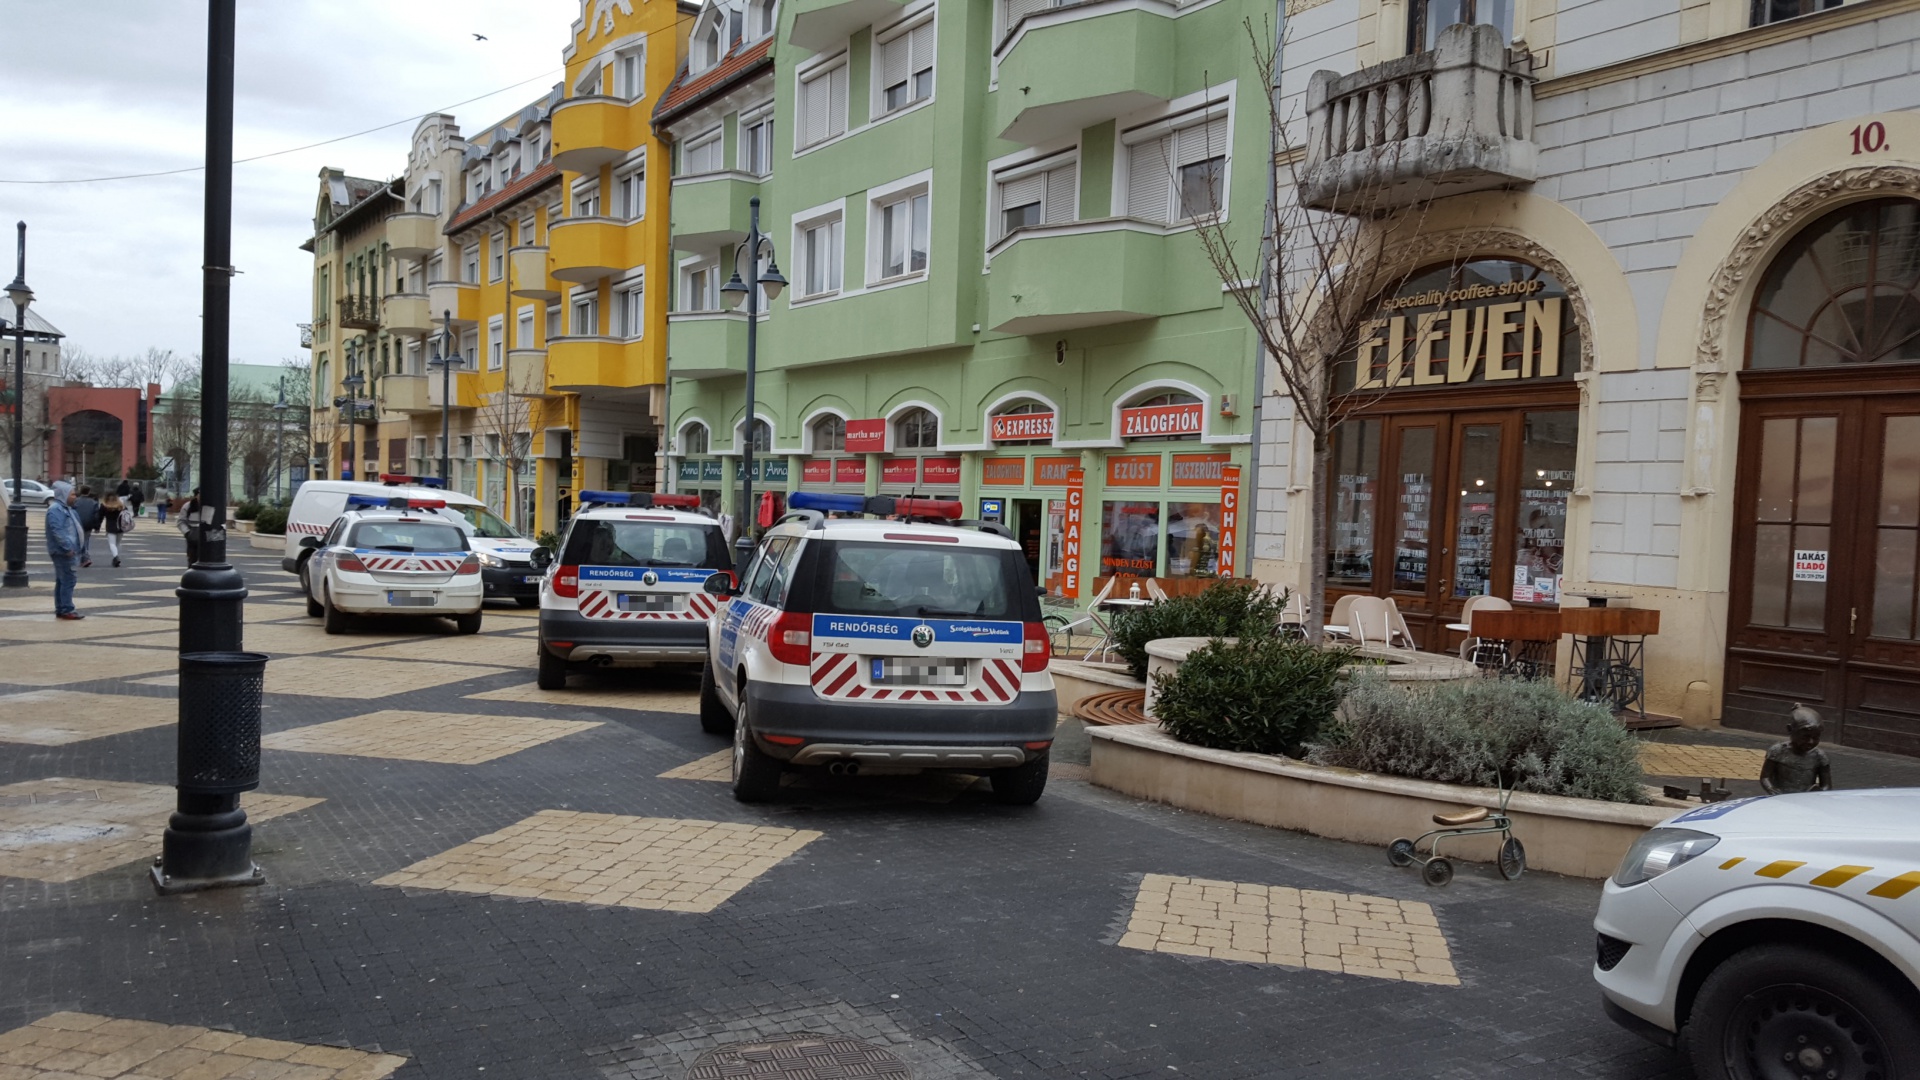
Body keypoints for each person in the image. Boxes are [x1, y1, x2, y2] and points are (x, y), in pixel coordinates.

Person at [1760, 704, 1833, 795]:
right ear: (1790, 730)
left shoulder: (1820, 756)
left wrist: (1820, 792)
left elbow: (1826, 785)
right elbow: (1765, 777)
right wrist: (1771, 789)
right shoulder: (1777, 751)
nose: (1810, 742)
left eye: (1815, 737)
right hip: (1781, 797)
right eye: (1805, 737)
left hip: (1805, 799)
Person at [44, 481, 83, 620]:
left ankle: (62, 608)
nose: (75, 497)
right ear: (64, 494)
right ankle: (66, 609)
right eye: (72, 494)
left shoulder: (67, 509)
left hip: (68, 549)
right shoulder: (56, 510)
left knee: (63, 579)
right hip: (63, 551)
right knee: (68, 579)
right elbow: (57, 531)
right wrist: (67, 547)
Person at [73, 485, 102, 568]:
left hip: (77, 523)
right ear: (89, 492)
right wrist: (97, 527)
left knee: (77, 540)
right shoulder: (93, 502)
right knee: (85, 540)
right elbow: (96, 516)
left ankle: (84, 558)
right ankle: (84, 557)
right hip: (88, 524)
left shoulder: (75, 501)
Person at [102, 491, 128, 567]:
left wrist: (97, 526)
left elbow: (100, 516)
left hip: (110, 526)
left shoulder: (105, 506)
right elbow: (126, 513)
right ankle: (116, 556)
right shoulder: (121, 506)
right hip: (120, 526)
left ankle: (116, 557)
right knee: (118, 543)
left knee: (112, 543)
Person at [181, 487, 203, 567]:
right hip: (193, 537)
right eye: (200, 494)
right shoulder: (188, 506)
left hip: (208, 537)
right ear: (196, 495)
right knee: (192, 559)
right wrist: (187, 533)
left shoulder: (210, 505)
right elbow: (181, 521)